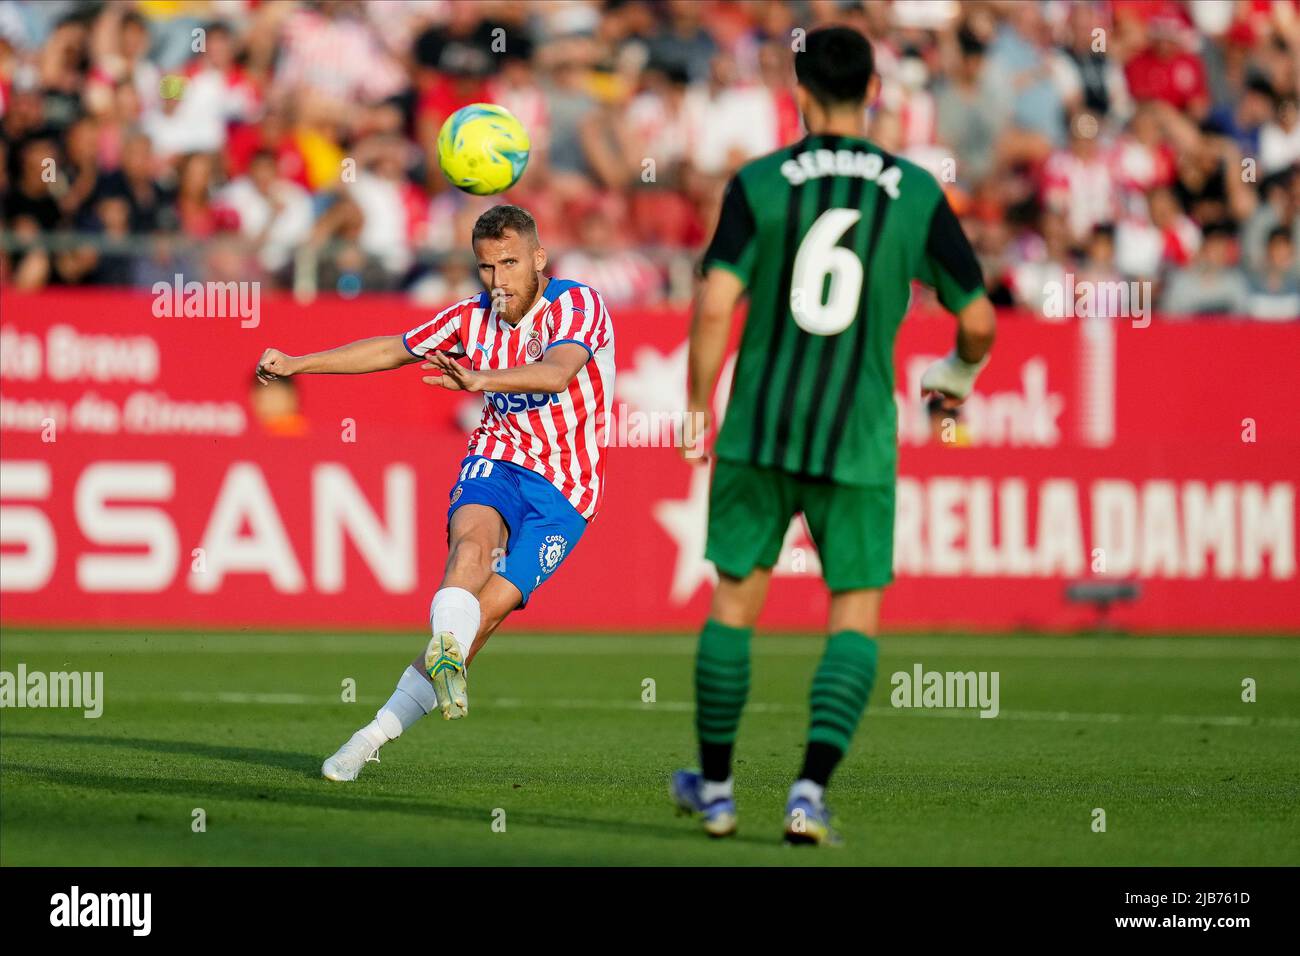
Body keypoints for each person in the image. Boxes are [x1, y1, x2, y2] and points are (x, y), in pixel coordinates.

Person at [672, 27, 995, 846]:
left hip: (760, 426)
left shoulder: (759, 181)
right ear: (873, 92)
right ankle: (809, 791)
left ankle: (714, 790)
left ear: (800, 96)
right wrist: (954, 378)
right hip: (856, 436)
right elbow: (979, 320)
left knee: (737, 599)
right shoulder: (915, 190)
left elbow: (715, 305)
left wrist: (697, 403)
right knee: (852, 612)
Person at [254, 204, 616, 781]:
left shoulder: (577, 304)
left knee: (487, 612)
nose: (499, 282)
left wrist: (482, 380)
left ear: (539, 260)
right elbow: (391, 349)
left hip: (567, 488)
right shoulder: (471, 318)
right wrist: (299, 363)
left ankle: (393, 711)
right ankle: (378, 726)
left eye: (510, 264)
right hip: (497, 455)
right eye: (486, 268)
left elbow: (558, 372)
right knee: (469, 549)